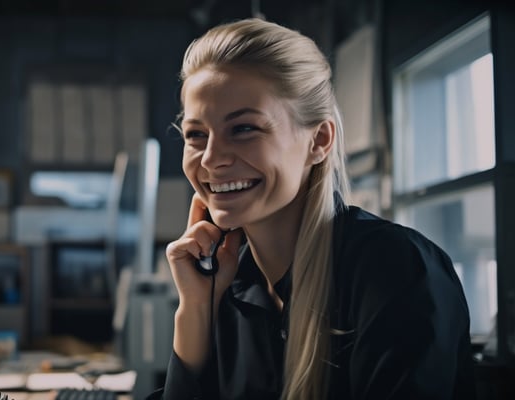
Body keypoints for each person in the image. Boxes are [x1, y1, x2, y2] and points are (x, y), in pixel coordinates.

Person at [148, 18, 475, 400]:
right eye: (196, 135)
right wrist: (194, 312)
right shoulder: (230, 284)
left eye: (243, 129)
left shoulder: (396, 269)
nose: (211, 159)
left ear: (318, 140)